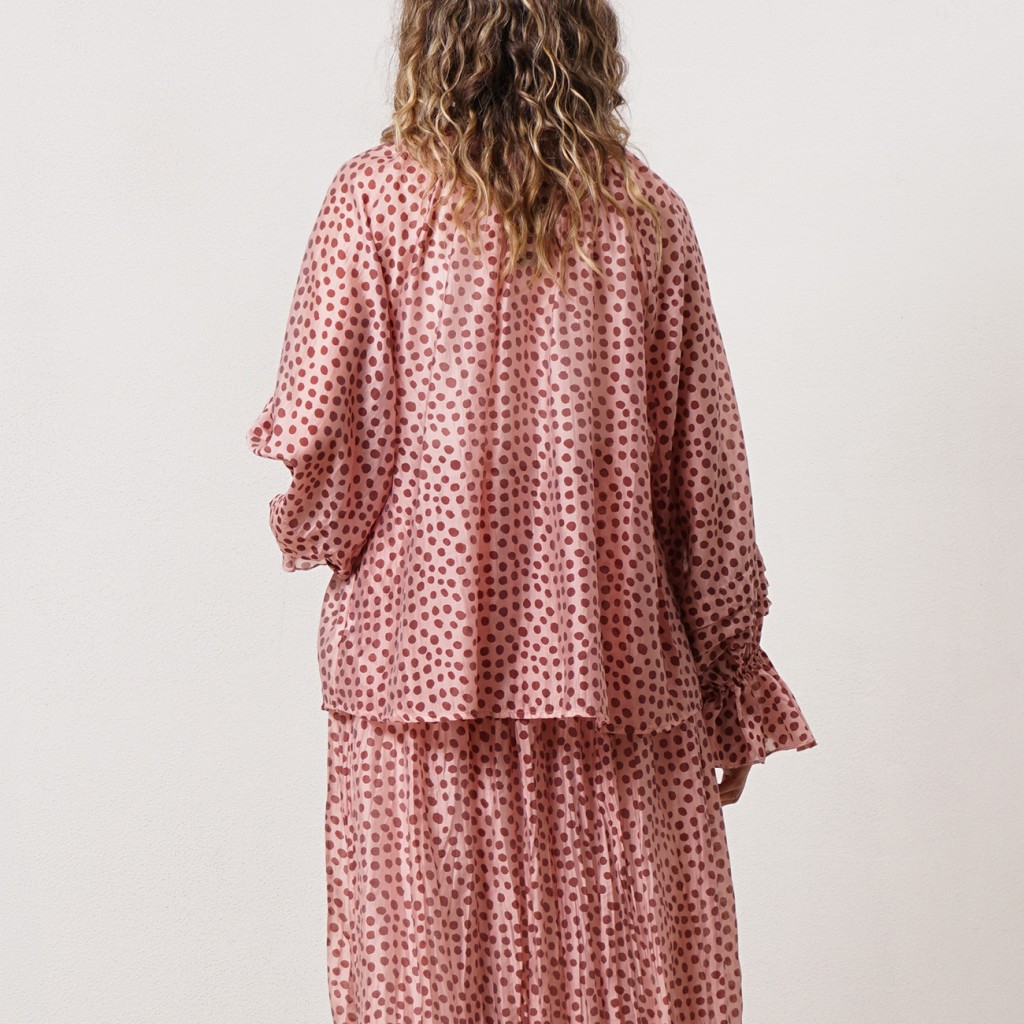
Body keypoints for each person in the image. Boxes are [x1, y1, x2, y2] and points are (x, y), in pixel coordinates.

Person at [246, 1, 817, 1020]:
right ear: (585, 38)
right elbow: (704, 476)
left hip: (419, 686)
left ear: (431, 38)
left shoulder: (374, 200)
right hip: (616, 674)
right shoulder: (646, 214)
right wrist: (727, 668)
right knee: (625, 984)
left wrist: (334, 538)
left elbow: (329, 455)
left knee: (432, 989)